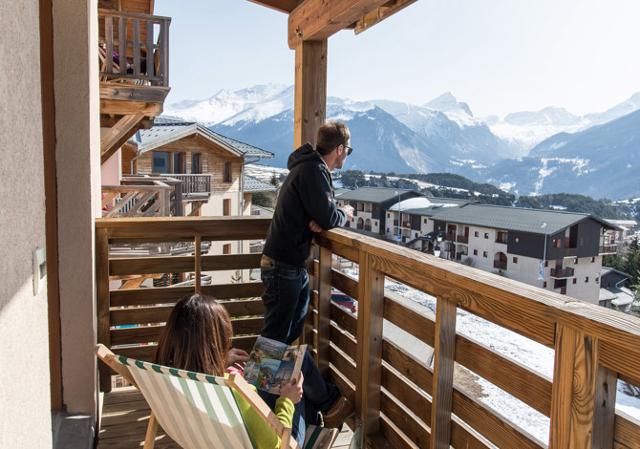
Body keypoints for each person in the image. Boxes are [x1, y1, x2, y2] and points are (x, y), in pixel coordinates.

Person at [260, 121, 355, 428]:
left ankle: (322, 400)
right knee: (275, 342)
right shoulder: (314, 171)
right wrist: (344, 213)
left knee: (283, 341)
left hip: (288, 266)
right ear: (339, 149)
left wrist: (322, 217)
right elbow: (327, 216)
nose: (346, 157)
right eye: (347, 151)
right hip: (285, 267)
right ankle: (264, 410)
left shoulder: (306, 168)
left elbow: (320, 216)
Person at [155, 294, 305, 449]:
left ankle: (326, 404)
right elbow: (276, 446)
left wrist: (218, 361)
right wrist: (287, 401)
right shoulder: (234, 391)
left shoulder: (166, 379)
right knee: (300, 366)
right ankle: (324, 409)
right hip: (283, 443)